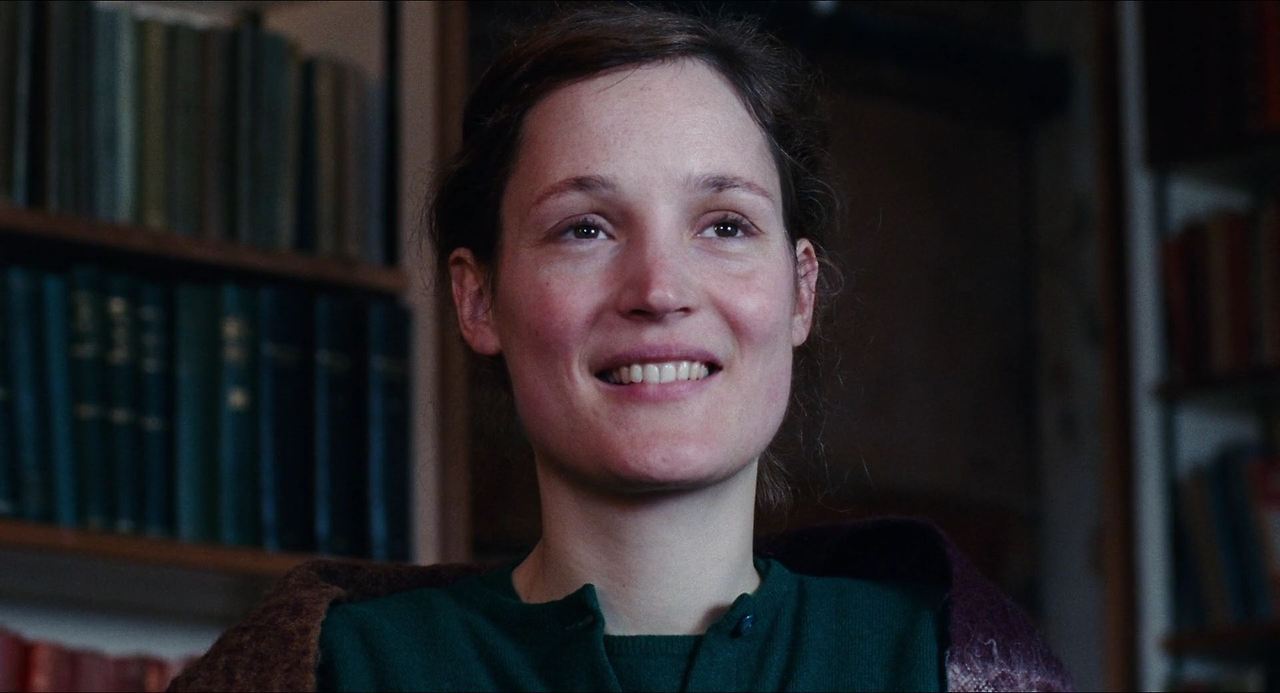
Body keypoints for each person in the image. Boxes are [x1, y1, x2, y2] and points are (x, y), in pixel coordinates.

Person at [171, 5, 1070, 692]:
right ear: (477, 298)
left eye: (724, 224)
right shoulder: (341, 669)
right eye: (586, 228)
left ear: (801, 290)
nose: (659, 289)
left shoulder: (938, 662)